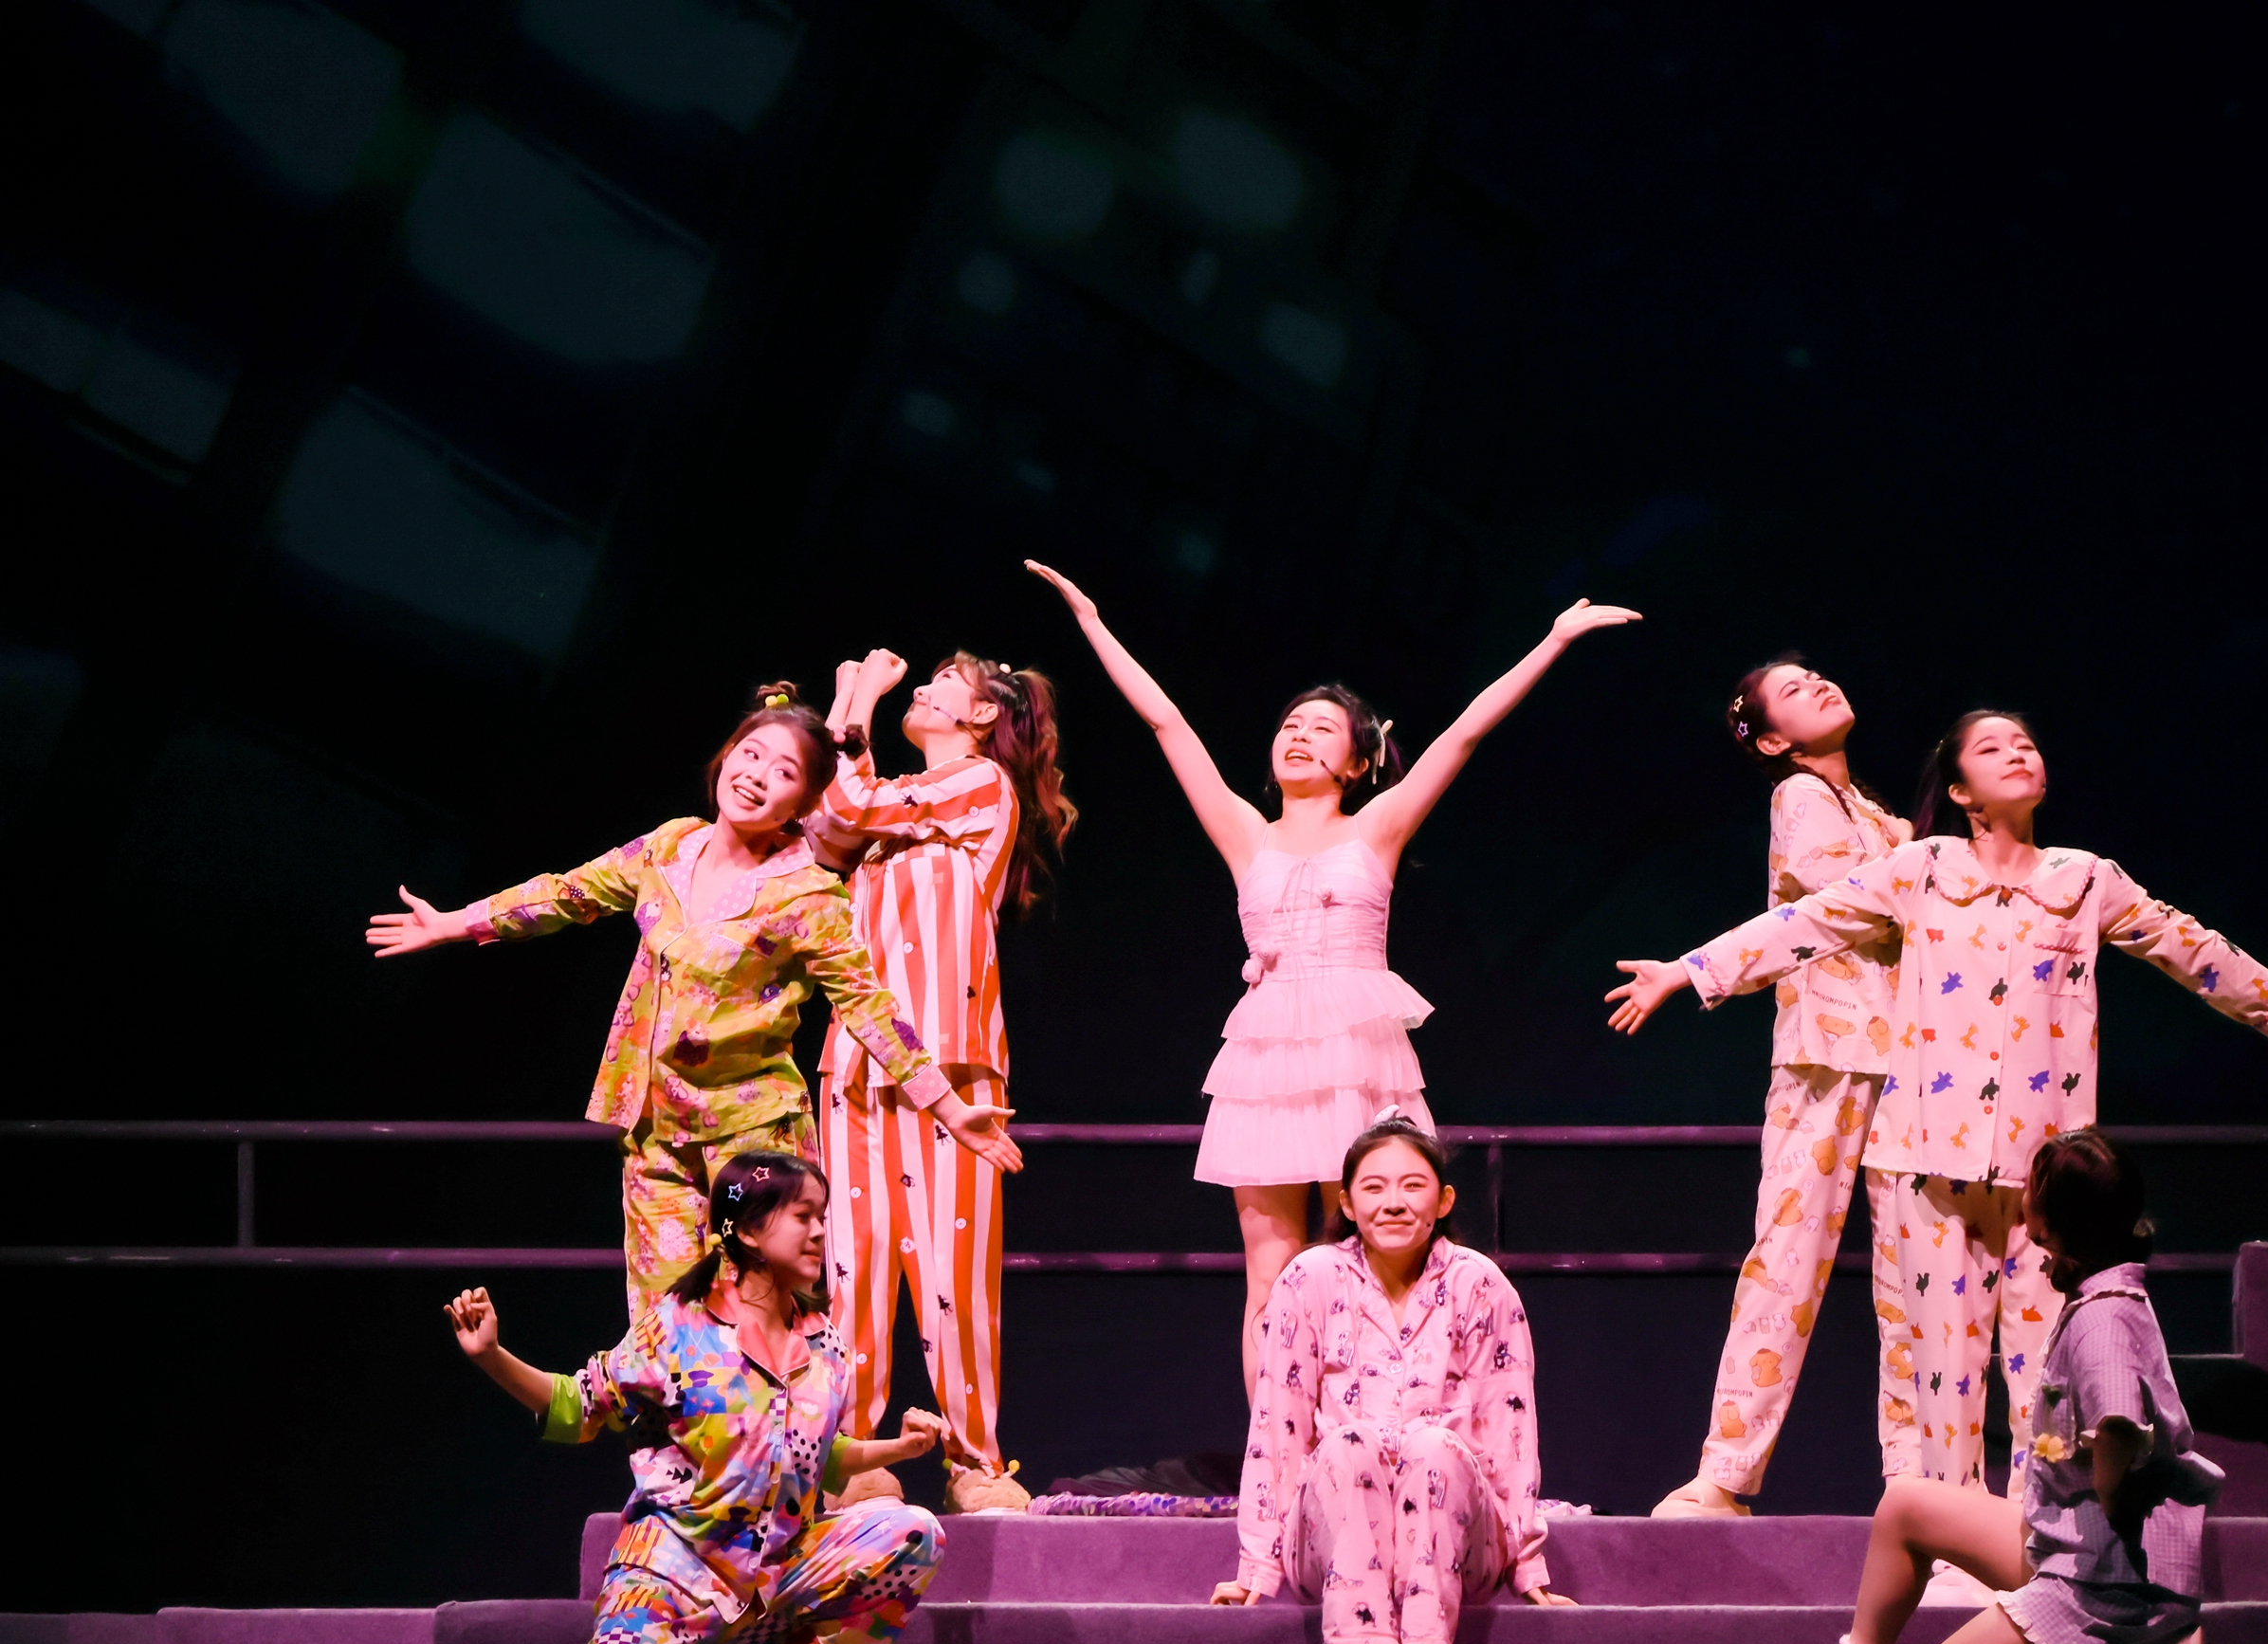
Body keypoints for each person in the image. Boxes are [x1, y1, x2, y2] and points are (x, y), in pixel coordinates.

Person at [1608, 709, 2268, 1492]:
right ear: (1961, 791)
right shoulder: (1923, 868)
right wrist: (1687, 970)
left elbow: (2188, 944)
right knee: (1944, 1389)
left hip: (2045, 1178)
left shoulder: (2085, 880)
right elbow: (1806, 923)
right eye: (1991, 747)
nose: (2016, 753)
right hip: (1927, 1167)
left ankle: (2034, 1537)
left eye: (2025, 744)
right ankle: (1953, 1540)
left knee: (2046, 1379)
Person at [1026, 559, 1640, 1393]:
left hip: (1356, 1050)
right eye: (1291, 724)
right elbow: (1167, 723)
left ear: (1358, 760)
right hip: (1266, 1057)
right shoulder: (1246, 833)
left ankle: (1375, 1429)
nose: (1300, 735)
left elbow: (1464, 733)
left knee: (1371, 1260)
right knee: (1271, 1276)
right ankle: (1278, 1450)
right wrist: (1094, 622)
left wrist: (1552, 641)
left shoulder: (1376, 827)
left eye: (1322, 728)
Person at [365, 681, 1023, 1314]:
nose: (757, 776)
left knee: (755, 1323)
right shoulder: (670, 847)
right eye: (751, 754)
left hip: (753, 1146)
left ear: (801, 804)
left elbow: (868, 1006)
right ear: (727, 757)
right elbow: (567, 892)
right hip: (657, 1137)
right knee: (669, 1334)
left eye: (785, 772)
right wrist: (456, 923)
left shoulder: (808, 894)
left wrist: (946, 1104)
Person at [435, 1153, 948, 1644]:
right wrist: (491, 1356)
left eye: (822, 1217)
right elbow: (579, 1405)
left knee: (915, 1532)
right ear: (749, 1230)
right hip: (677, 1571)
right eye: (803, 1216)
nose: (820, 1232)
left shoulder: (825, 1345)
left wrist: (900, 1448)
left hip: (775, 1580)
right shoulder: (679, 1325)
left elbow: (816, 1456)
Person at [1745, 1131, 2220, 1644]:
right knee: (1905, 1506)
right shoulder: (2109, 1296)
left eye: (2034, 1187)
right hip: (2072, 1538)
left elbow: (2117, 1426)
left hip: (2103, 1573)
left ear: (2058, 1219)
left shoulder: (2103, 1325)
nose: (2022, 1198)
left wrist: (2108, 1500)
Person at [811, 645, 1076, 1516]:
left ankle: (974, 1460)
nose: (921, 688)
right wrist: (849, 703)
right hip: (856, 1062)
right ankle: (852, 1454)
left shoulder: (978, 785)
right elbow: (825, 826)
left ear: (982, 717)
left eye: (943, 684)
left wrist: (861, 697)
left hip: (952, 1063)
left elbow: (853, 802)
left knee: (951, 1273)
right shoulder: (892, 803)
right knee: (851, 1266)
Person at [1655, 657, 1917, 1521]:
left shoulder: (1874, 812)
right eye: (1795, 690)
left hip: (1912, 1058)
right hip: (1829, 1052)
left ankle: (1924, 1489)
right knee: (1787, 1259)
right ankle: (1725, 1474)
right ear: (1772, 740)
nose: (1821, 685)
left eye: (1818, 676)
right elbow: (1856, 896)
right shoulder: (1800, 795)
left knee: (1918, 1284)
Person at [1210, 1116, 1572, 1644]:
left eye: (1412, 1185)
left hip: (1458, 1533)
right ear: (1348, 1203)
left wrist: (1528, 1565)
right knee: (1349, 1443)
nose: (1394, 1203)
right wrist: (1258, 1562)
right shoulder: (1309, 1279)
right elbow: (1278, 1425)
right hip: (1333, 1532)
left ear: (1443, 1200)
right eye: (1374, 1188)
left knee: (1433, 1445)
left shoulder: (1480, 1284)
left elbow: (1509, 1430)